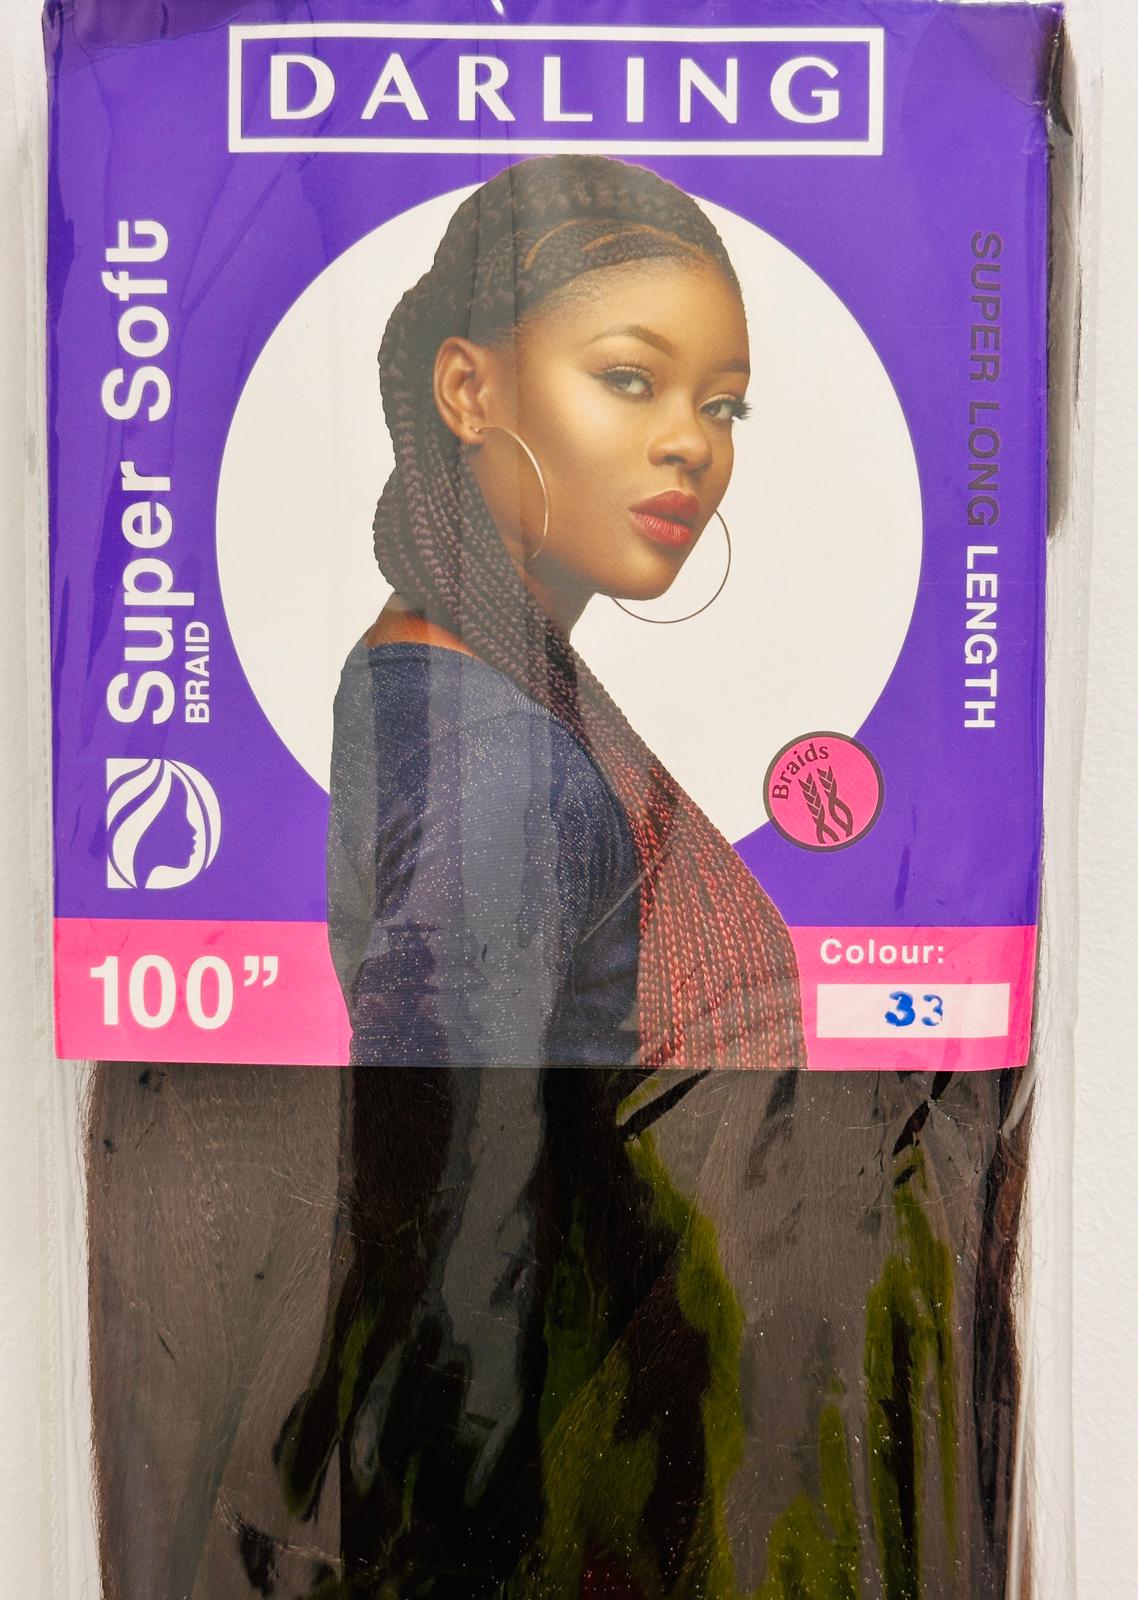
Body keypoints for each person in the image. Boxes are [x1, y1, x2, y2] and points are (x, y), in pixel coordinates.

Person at [271, 156, 805, 1598]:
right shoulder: (498, 759)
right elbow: (457, 1241)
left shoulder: (463, 694)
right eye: (631, 379)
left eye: (722, 404)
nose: (690, 444)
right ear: (469, 389)